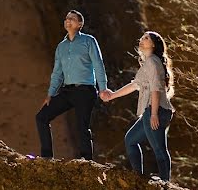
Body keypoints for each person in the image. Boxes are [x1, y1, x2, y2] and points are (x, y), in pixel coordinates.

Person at [101, 31, 175, 181]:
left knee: (159, 150)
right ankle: (138, 178)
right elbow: (135, 85)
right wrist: (112, 95)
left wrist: (154, 114)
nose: (142, 39)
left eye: (146, 38)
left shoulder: (153, 62)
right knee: (130, 140)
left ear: (153, 44)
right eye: (142, 37)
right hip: (154, 111)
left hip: (156, 111)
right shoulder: (149, 63)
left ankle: (165, 184)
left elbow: (156, 88)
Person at [35, 10, 108, 160]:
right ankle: (46, 158)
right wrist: (50, 94)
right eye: (67, 18)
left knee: (81, 126)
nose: (68, 20)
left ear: (80, 24)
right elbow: (57, 73)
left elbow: (98, 65)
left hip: (85, 90)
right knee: (41, 117)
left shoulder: (89, 41)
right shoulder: (61, 47)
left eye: (72, 19)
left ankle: (86, 161)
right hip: (67, 91)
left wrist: (103, 88)